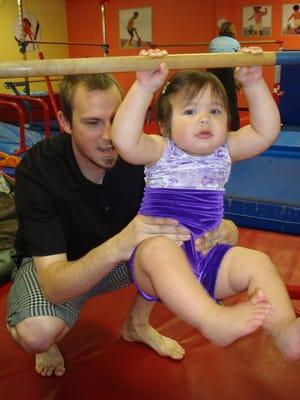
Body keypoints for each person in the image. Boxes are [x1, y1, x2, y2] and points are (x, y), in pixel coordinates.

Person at [6, 72, 238, 377]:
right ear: (64, 122)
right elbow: (55, 287)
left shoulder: (145, 154)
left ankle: (137, 324)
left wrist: (222, 231)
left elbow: (194, 226)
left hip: (119, 262)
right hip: (57, 270)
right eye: (93, 123)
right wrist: (124, 242)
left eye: (118, 118)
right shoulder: (38, 169)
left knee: (192, 241)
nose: (110, 135)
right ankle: (47, 337)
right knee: (37, 332)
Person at [112, 48, 300, 360]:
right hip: (156, 262)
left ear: (227, 119)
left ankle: (284, 331)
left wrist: (253, 83)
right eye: (189, 112)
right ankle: (212, 319)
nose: (204, 119)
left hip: (208, 259)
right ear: (164, 125)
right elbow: (124, 141)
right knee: (159, 249)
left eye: (215, 111)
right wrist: (143, 87)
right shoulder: (161, 150)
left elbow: (266, 132)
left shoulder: (224, 149)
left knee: (258, 263)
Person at [208, 22, 241, 131]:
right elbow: (238, 62)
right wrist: (237, 82)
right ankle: (234, 127)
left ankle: (213, 123)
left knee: (213, 97)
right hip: (226, 70)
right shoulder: (234, 42)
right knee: (231, 99)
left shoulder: (213, 41)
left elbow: (209, 56)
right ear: (232, 31)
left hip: (212, 69)